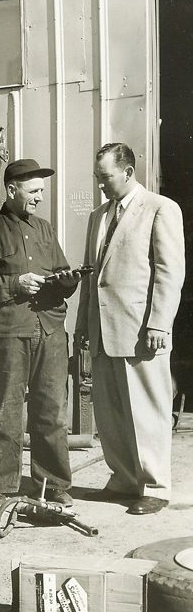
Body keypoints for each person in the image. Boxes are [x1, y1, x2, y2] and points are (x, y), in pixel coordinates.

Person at [0, 158, 84, 509]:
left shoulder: (45, 230)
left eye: (42, 191)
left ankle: (54, 484)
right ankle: (0, 488)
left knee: (51, 410)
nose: (39, 198)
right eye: (33, 191)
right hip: (8, 333)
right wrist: (15, 283)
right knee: (6, 411)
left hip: (49, 331)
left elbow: (61, 272)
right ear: (11, 189)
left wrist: (69, 279)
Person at [76, 142, 185, 515]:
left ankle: (155, 485)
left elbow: (170, 273)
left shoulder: (160, 209)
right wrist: (83, 327)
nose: (100, 186)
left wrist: (159, 323)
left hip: (142, 331)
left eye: (105, 178)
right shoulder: (97, 217)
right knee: (111, 412)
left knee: (147, 410)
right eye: (97, 178)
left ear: (127, 172)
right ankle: (123, 479)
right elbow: (93, 278)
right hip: (103, 331)